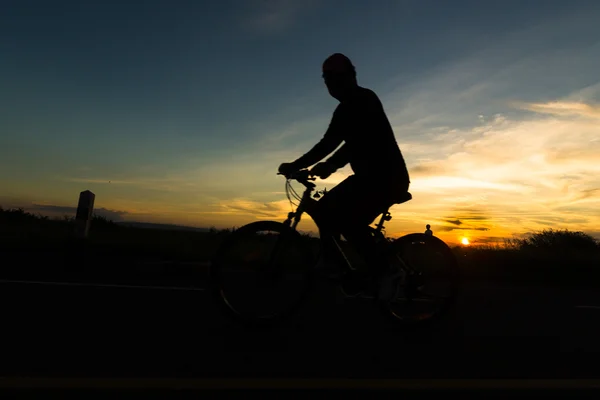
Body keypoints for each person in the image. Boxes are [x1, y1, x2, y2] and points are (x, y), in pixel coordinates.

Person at [278, 53, 410, 301]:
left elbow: (361, 140)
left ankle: (388, 271)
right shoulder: (343, 111)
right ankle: (334, 263)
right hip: (368, 179)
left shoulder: (365, 99)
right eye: (326, 79)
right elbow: (328, 143)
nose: (330, 84)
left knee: (350, 222)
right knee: (326, 210)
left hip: (387, 178)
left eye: (334, 78)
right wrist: (303, 164)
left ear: (350, 76)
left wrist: (327, 165)